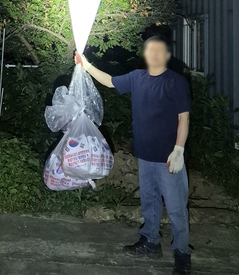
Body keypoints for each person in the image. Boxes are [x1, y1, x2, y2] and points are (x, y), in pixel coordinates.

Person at [76, 36, 192, 275]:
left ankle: (182, 253)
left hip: (169, 157)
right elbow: (109, 81)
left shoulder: (175, 82)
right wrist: (86, 66)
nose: (155, 54)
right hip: (145, 154)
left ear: (166, 55)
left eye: (159, 50)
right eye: (150, 50)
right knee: (149, 203)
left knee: (176, 208)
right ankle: (150, 243)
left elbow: (184, 118)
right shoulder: (137, 78)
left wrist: (179, 150)